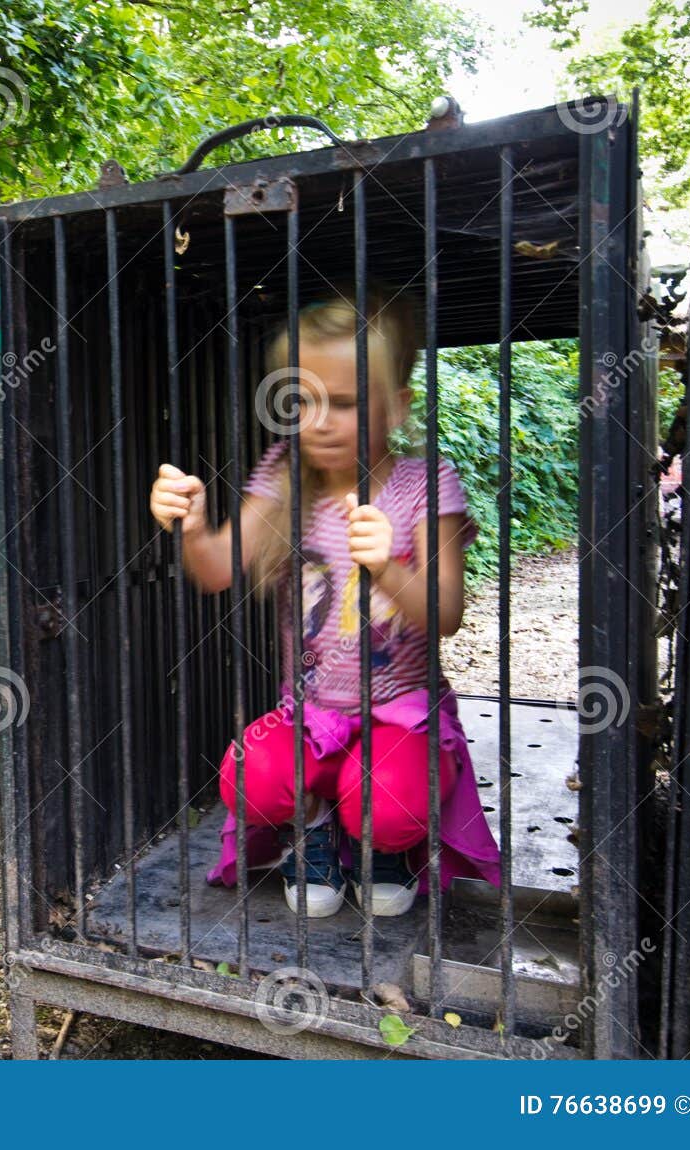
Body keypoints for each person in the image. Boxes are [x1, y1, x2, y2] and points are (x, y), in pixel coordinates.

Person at [148, 286, 499, 918]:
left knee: (391, 801)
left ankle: (380, 844)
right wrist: (192, 525)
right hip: (312, 715)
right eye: (303, 401)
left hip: (401, 714)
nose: (320, 421)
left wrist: (386, 566)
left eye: (344, 402)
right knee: (249, 776)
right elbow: (216, 572)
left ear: (396, 408)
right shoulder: (285, 472)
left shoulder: (425, 484)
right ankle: (313, 831)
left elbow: (447, 613)